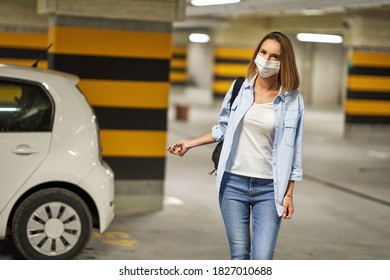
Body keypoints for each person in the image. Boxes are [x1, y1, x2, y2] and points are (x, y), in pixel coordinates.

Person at [168, 31, 304, 260]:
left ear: (284, 62)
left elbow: (295, 151)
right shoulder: (239, 88)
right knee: (239, 255)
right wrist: (191, 143)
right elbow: (223, 128)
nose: (266, 60)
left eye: (274, 56)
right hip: (233, 183)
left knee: (262, 259)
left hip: (270, 189)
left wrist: (289, 193)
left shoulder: (292, 99)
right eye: (263, 52)